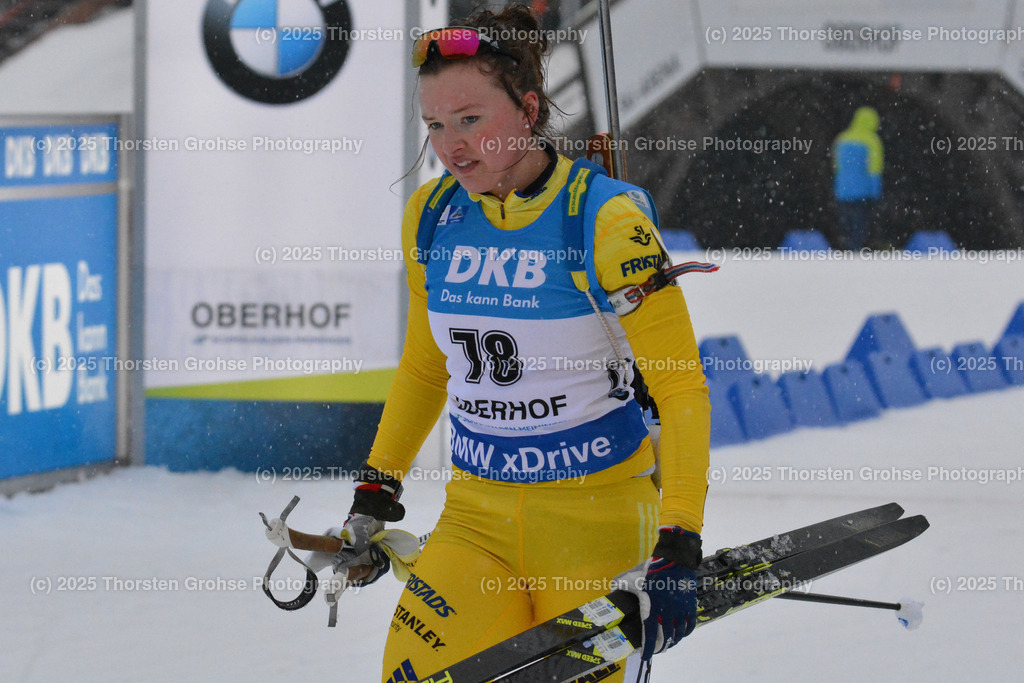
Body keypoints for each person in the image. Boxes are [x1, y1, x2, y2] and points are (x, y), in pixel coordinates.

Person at [333, 6, 711, 682]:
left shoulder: (603, 220)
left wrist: (679, 536)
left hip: (593, 520)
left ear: (528, 108)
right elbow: (426, 366)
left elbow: (681, 382)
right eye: (435, 125)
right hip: (476, 517)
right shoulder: (434, 216)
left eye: (471, 119)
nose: (451, 146)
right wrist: (376, 487)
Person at [832, 106, 884, 250]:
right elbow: (875, 169)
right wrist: (875, 191)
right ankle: (857, 250)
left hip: (843, 190)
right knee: (860, 223)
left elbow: (837, 166)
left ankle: (846, 248)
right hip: (863, 191)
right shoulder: (872, 141)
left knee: (846, 223)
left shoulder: (842, 138)